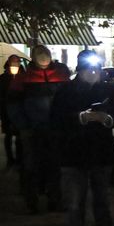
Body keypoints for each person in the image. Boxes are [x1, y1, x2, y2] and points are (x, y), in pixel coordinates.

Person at [50, 50, 114, 226]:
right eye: (88, 69)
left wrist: (107, 119)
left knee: (102, 197)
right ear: (80, 70)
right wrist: (81, 117)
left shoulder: (109, 90)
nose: (93, 73)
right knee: (76, 199)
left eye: (96, 69)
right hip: (73, 151)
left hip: (101, 150)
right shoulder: (66, 90)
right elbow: (56, 119)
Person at [7, 45, 70, 213]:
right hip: (33, 130)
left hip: (55, 129)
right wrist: (23, 126)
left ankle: (54, 200)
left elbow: (69, 102)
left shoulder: (60, 76)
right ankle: (32, 202)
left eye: (46, 54)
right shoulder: (23, 79)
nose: (44, 57)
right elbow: (13, 106)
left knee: (54, 166)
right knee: (31, 167)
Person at [1, 54, 23, 169]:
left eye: (17, 62)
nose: (15, 64)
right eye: (13, 62)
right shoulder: (3, 78)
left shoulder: (23, 77)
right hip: (6, 109)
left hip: (19, 109)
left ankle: (19, 158)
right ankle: (10, 158)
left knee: (19, 135)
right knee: (8, 135)